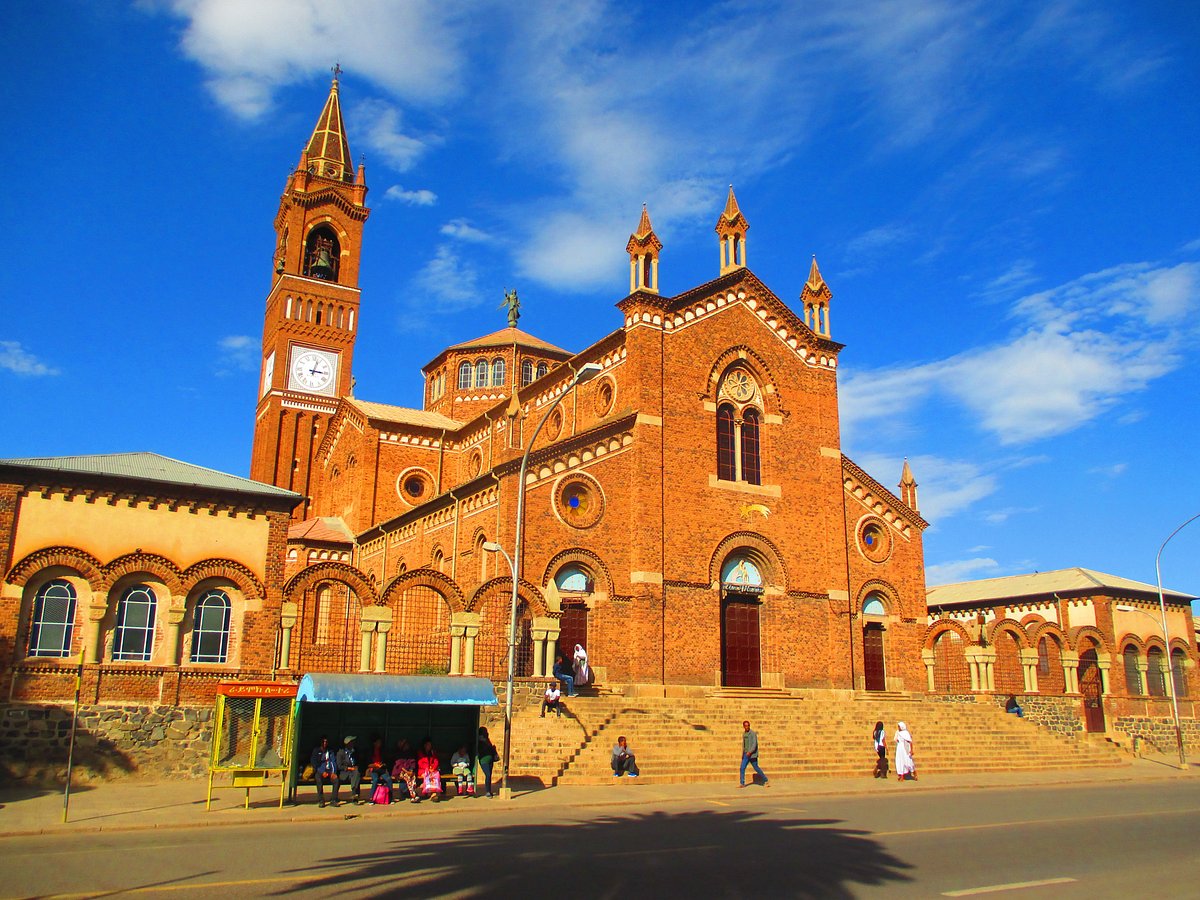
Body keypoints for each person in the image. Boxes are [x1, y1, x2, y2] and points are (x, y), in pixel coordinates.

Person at [310, 735, 340, 808]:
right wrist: (322, 772)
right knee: (318, 780)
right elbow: (314, 763)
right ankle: (321, 800)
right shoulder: (316, 751)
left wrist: (333, 772)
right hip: (320, 771)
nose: (325, 743)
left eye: (326, 742)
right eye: (323, 742)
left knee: (336, 780)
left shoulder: (330, 751)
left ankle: (333, 799)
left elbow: (333, 762)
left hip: (329, 771)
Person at [739, 720, 769, 788]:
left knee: (756, 768)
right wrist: (743, 753)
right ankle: (742, 783)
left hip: (752, 755)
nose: (747, 727)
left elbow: (754, 744)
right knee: (742, 768)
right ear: (744, 726)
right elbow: (744, 744)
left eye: (748, 725)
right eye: (746, 726)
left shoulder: (753, 733)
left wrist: (750, 752)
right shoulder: (744, 734)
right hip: (746, 754)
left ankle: (765, 780)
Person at [335, 735, 362, 804]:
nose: (353, 744)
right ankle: (354, 793)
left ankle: (354, 795)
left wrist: (355, 767)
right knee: (356, 775)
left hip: (353, 773)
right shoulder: (340, 752)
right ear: (348, 744)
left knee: (357, 774)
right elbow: (339, 766)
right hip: (344, 773)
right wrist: (349, 768)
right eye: (351, 742)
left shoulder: (355, 751)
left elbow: (358, 761)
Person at [365, 734, 392, 800]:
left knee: (389, 779)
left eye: (380, 742)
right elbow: (368, 764)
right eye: (378, 742)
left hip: (381, 770)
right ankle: (372, 797)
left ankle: (390, 798)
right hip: (373, 770)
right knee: (375, 779)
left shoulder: (382, 751)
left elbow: (386, 762)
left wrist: (382, 765)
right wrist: (375, 765)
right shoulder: (370, 751)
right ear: (374, 743)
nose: (379, 743)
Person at [391, 738, 419, 802]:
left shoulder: (410, 753)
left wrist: (411, 770)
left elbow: (412, 762)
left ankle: (412, 794)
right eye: (405, 745)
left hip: (408, 771)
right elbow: (400, 766)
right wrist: (407, 772)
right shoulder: (399, 754)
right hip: (400, 772)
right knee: (408, 777)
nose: (407, 746)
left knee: (413, 776)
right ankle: (413, 795)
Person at [477, 727, 498, 798]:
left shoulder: (487, 740)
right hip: (484, 761)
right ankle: (487, 791)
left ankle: (489, 790)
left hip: (490, 760)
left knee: (489, 776)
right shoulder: (479, 742)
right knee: (488, 775)